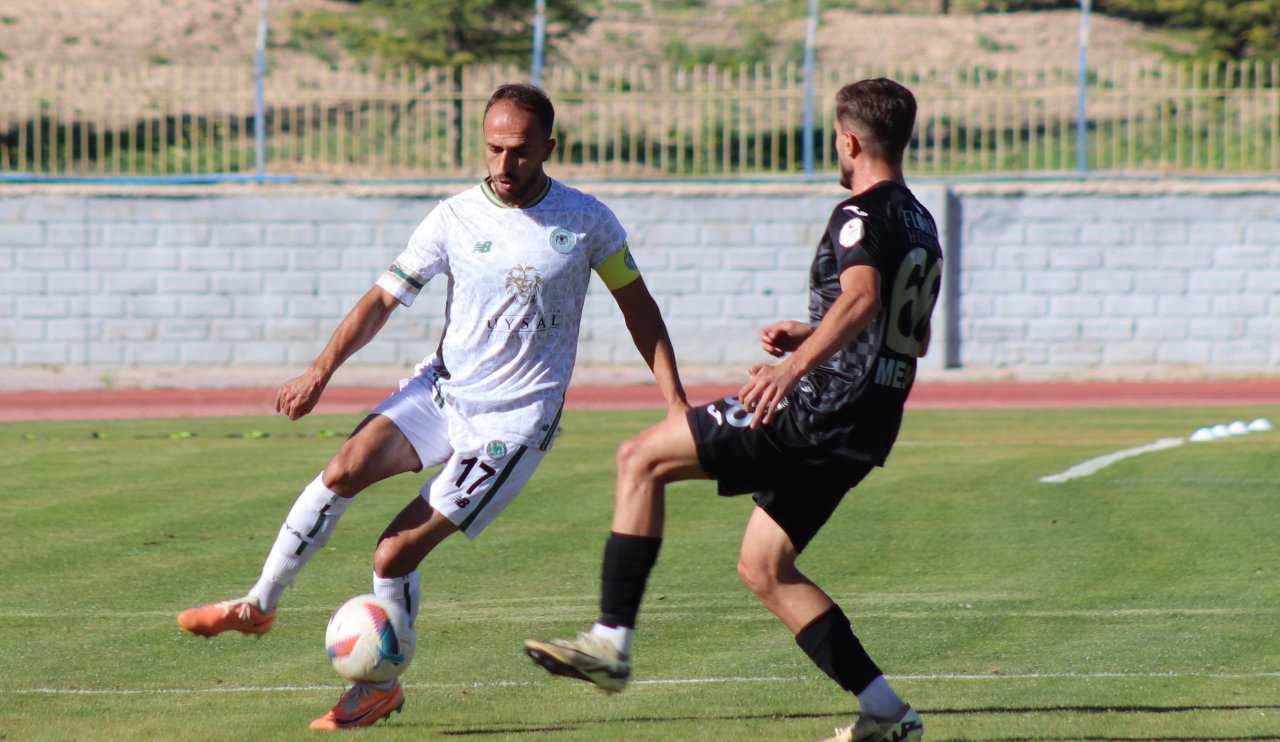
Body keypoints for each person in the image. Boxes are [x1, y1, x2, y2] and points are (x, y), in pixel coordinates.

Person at [176, 83, 689, 731]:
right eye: (494, 149)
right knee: (342, 470)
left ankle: (378, 689)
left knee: (392, 556)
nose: (504, 166)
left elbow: (639, 308)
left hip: (511, 424)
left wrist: (676, 404)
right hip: (443, 391)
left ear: (548, 149)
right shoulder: (453, 216)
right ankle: (258, 604)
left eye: (521, 153)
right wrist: (320, 371)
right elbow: (382, 299)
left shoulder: (587, 221)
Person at [523, 77, 941, 742]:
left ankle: (611, 643)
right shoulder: (921, 221)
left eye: (836, 139)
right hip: (868, 423)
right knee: (765, 567)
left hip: (820, 410)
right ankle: (888, 711)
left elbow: (862, 300)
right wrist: (810, 335)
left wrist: (793, 367)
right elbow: (908, 332)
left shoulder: (858, 214)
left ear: (851, 140)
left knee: (641, 457)